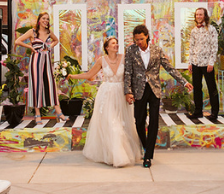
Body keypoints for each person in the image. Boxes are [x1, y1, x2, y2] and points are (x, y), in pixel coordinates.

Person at [123, 24, 192, 169]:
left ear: (147, 36)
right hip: (139, 91)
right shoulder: (130, 50)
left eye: (141, 39)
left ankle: (148, 156)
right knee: (139, 121)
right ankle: (146, 146)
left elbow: (169, 68)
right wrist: (128, 91)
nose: (139, 42)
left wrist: (184, 82)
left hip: (154, 90)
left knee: (154, 121)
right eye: (136, 40)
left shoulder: (156, 50)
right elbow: (128, 72)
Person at [76, 37, 140, 168]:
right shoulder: (101, 60)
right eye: (113, 43)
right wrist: (73, 76)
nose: (116, 45)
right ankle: (117, 156)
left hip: (121, 94)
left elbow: (131, 74)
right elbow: (89, 75)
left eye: (117, 43)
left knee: (123, 123)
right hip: (107, 95)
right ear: (107, 47)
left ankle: (122, 153)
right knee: (112, 124)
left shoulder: (124, 57)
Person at [14, 12, 58, 117]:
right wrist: (30, 47)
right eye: (44, 18)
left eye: (47, 19)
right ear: (39, 20)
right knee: (37, 84)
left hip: (46, 59)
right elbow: (17, 41)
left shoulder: (49, 32)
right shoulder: (32, 32)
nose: (45, 21)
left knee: (50, 83)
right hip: (36, 60)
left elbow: (56, 40)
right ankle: (37, 113)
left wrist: (50, 46)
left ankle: (58, 111)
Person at [186, 7, 220, 122]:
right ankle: (198, 111)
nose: (198, 17)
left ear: (205, 16)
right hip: (196, 62)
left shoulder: (211, 29)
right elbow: (191, 47)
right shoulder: (193, 31)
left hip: (207, 64)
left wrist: (211, 62)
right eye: (197, 15)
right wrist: (190, 62)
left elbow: (214, 47)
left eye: (200, 14)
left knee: (212, 88)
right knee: (197, 88)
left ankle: (214, 113)